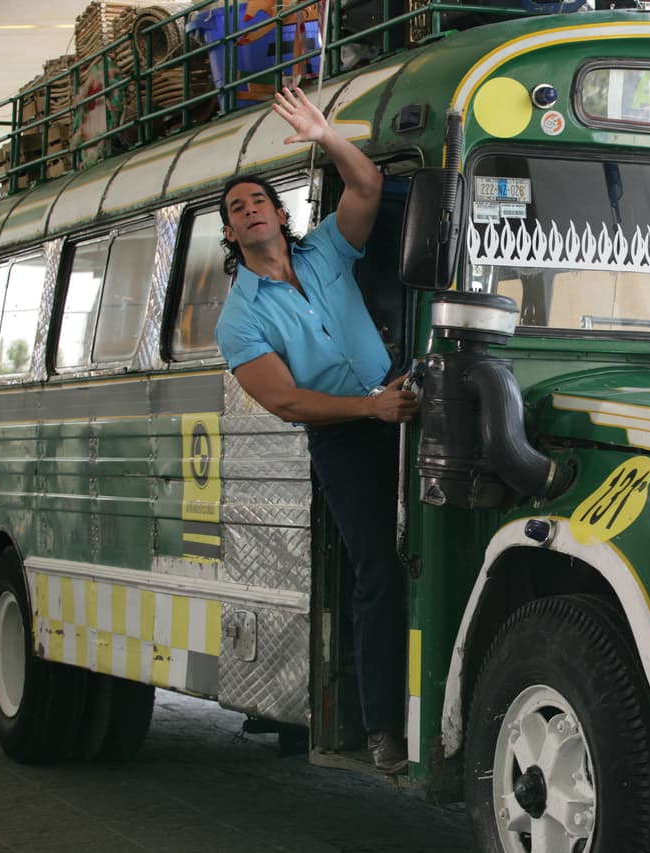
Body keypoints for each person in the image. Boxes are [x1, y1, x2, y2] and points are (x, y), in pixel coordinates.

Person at [213, 86, 417, 775]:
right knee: (377, 571)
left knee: (432, 555)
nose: (250, 212)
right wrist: (369, 410)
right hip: (348, 434)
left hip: (402, 406)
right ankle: (383, 727)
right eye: (236, 209)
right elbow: (290, 403)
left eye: (258, 201)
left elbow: (368, 183)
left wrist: (325, 134)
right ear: (233, 234)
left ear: (279, 213)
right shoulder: (238, 319)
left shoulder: (328, 248)